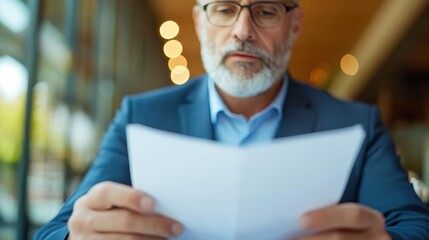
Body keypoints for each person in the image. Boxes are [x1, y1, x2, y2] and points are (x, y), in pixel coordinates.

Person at [35, 0, 429, 239]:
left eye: (266, 11)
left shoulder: (357, 124)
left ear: (294, 25)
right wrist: (77, 235)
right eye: (224, 9)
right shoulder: (142, 116)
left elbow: (417, 228)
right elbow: (53, 232)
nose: (244, 30)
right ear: (198, 22)